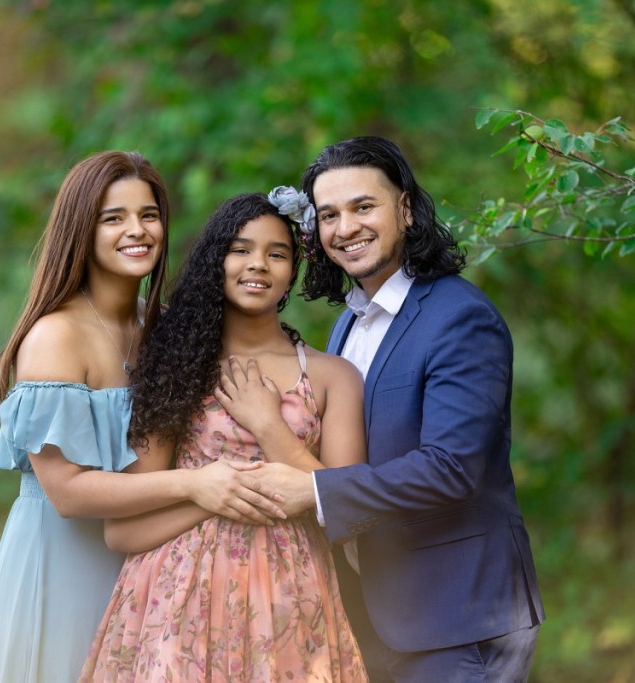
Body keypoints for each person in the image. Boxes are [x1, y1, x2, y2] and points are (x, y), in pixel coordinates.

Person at [223, 137, 545, 682]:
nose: (345, 228)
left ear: (407, 210)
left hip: (458, 614)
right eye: (329, 215)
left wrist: (316, 491)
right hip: (375, 613)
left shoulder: (460, 318)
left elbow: (453, 468)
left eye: (363, 207)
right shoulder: (350, 322)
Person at [0, 152, 285, 683]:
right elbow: (69, 494)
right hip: (60, 566)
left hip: (150, 566)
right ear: (81, 229)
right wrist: (196, 485)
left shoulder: (157, 327)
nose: (137, 230)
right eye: (113, 217)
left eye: (149, 214)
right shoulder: (57, 336)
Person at [79, 191, 370, 683]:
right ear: (216, 260)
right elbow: (121, 531)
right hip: (173, 608)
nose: (258, 264)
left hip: (288, 605)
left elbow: (349, 510)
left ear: (293, 272)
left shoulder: (333, 376)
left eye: (277, 253)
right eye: (240, 249)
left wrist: (269, 426)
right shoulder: (173, 365)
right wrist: (213, 492)